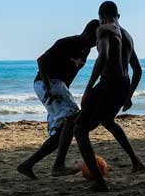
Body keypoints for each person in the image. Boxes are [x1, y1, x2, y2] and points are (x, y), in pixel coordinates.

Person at [75, 1, 145, 191]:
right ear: (118, 15)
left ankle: (99, 182)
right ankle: (136, 162)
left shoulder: (104, 30)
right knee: (107, 120)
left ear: (101, 16)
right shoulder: (128, 35)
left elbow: (103, 57)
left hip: (109, 83)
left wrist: (89, 88)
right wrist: (128, 95)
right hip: (123, 83)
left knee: (80, 130)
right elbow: (137, 71)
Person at [17, 20, 100, 178]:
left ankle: (27, 165)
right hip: (46, 83)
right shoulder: (67, 42)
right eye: (96, 40)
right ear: (89, 33)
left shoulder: (86, 50)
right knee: (74, 118)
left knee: (62, 133)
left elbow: (69, 74)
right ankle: (58, 165)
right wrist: (48, 86)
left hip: (59, 86)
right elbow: (41, 61)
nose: (97, 44)